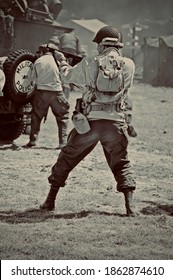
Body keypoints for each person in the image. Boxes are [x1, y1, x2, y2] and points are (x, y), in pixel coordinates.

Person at [40, 26, 137, 216]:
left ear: (102, 44)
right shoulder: (129, 64)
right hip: (115, 123)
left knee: (68, 157)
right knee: (121, 162)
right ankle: (130, 207)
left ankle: (50, 201)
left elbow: (68, 77)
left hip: (89, 123)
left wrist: (62, 61)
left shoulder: (91, 62)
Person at [26, 43, 69, 149]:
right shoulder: (58, 61)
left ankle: (33, 141)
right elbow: (65, 77)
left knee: (36, 117)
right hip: (56, 92)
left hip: (42, 92)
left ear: (41, 52)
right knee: (63, 117)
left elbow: (32, 78)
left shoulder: (38, 61)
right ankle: (62, 142)